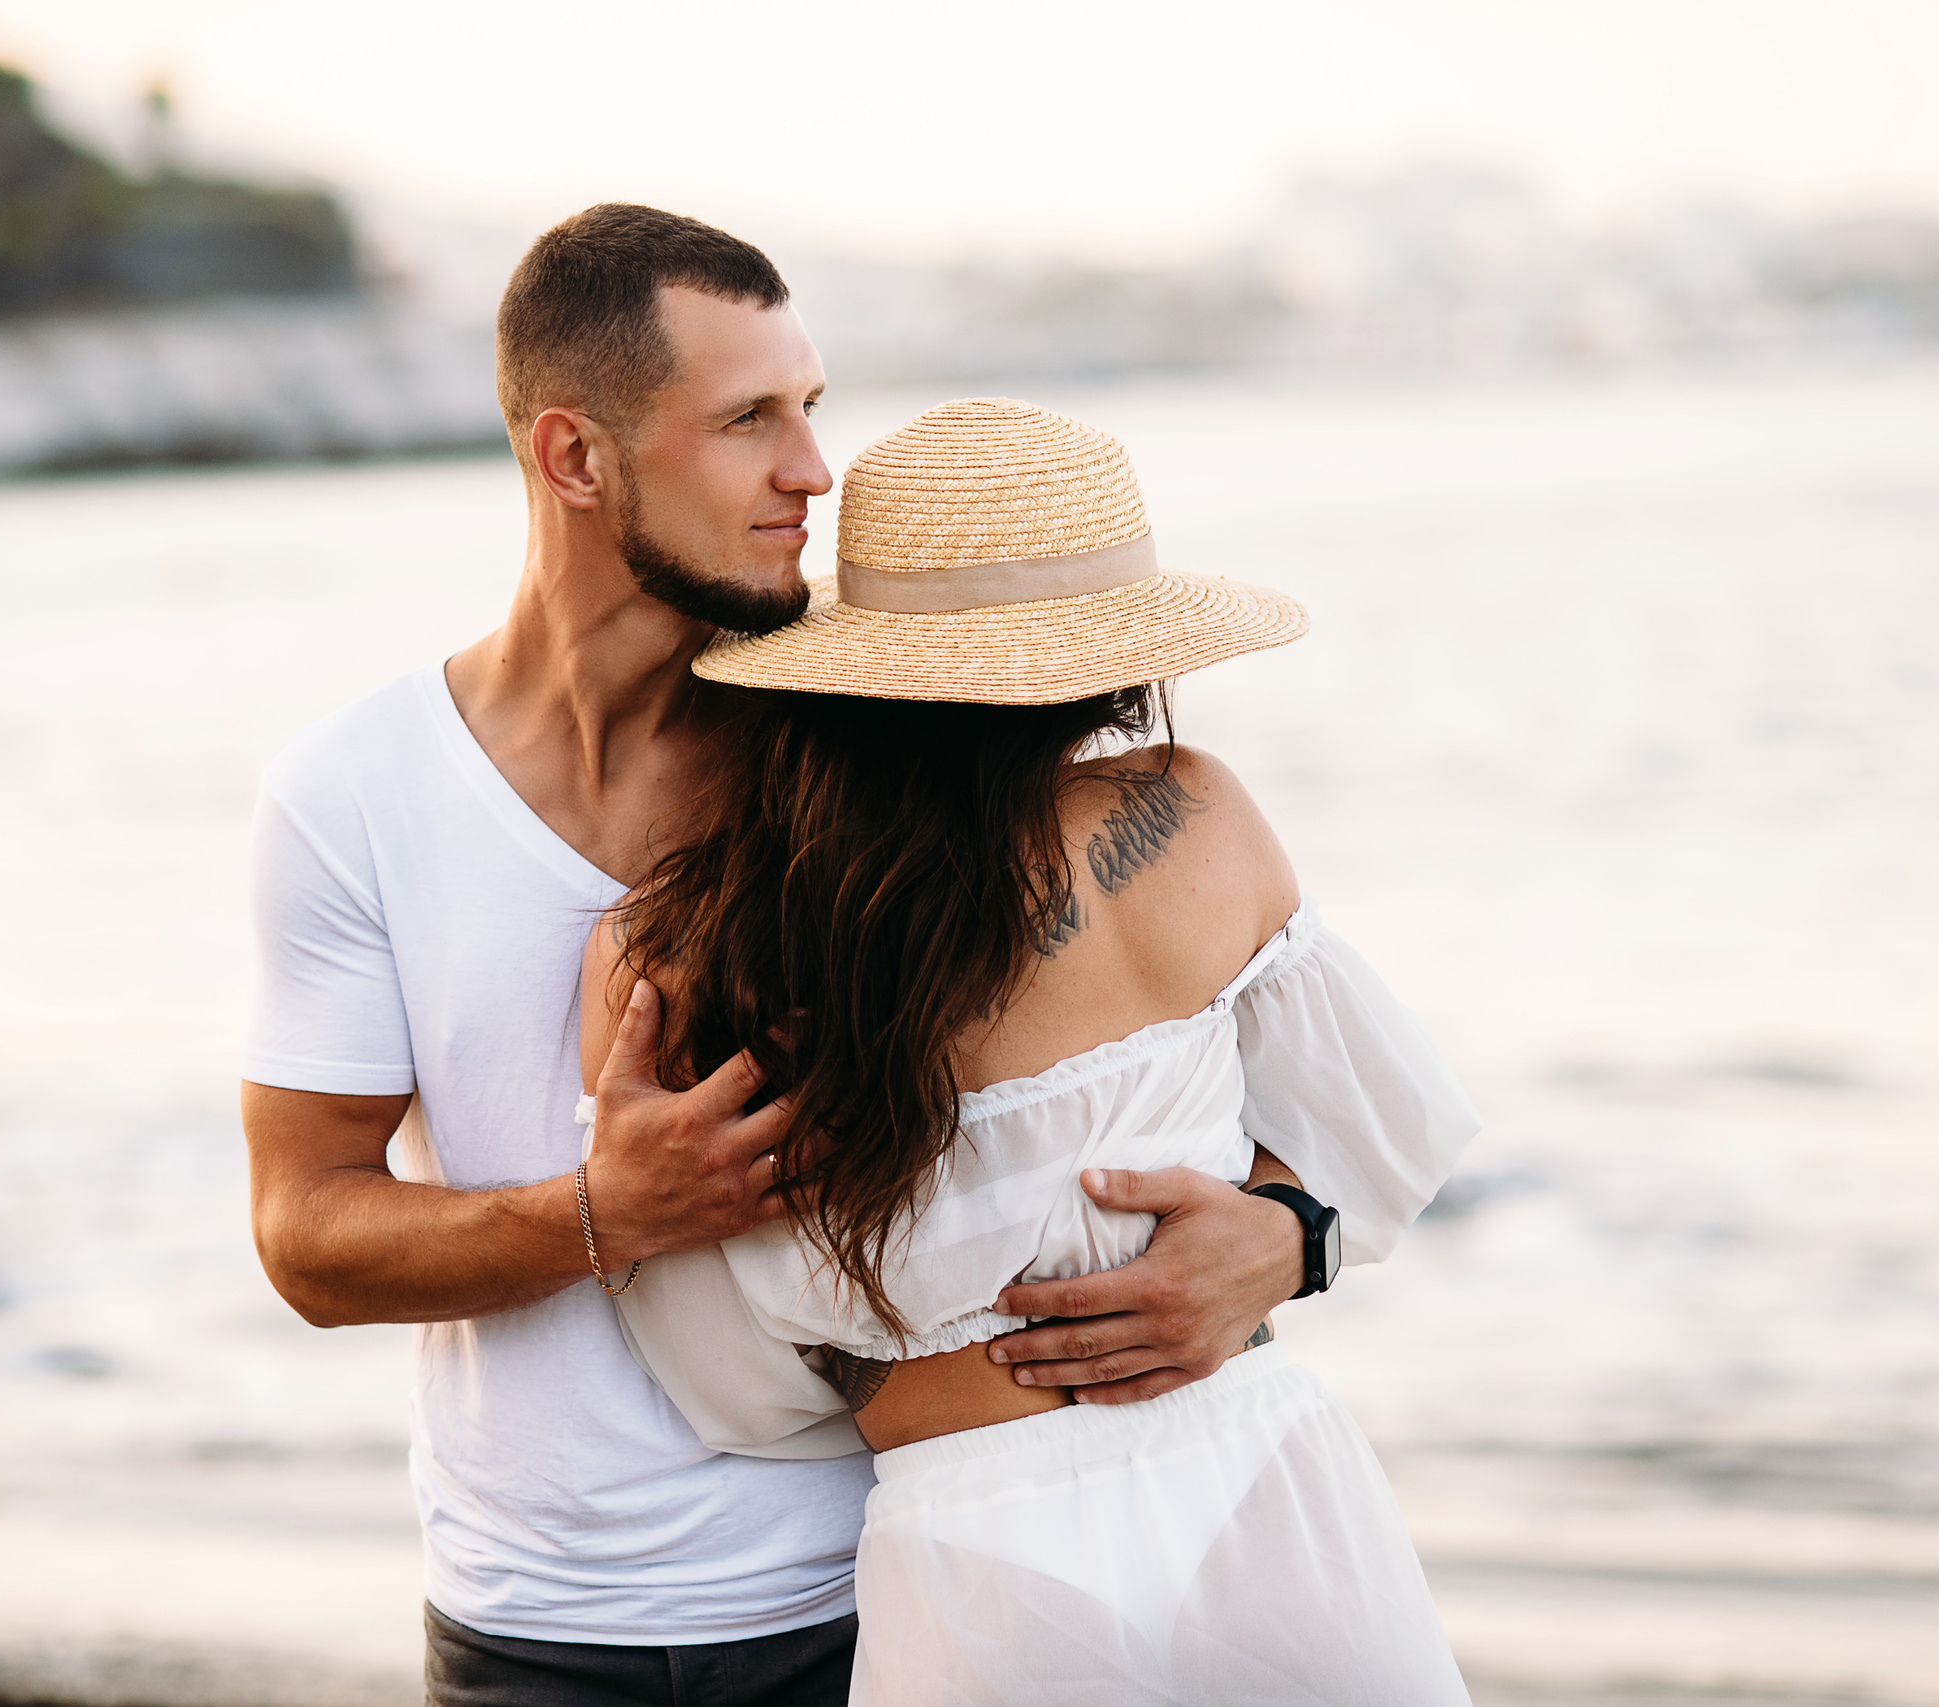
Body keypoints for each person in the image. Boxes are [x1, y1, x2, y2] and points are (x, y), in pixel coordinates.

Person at [239, 205, 1322, 1706]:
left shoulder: (888, 725)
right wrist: (604, 1213)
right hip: (536, 1625)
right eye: (749, 419)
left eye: (810, 407)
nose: (814, 471)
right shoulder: (354, 792)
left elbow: (1198, 1043)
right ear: (574, 457)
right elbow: (306, 1237)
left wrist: (1285, 1237)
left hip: (896, 1594)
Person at [572, 397, 1483, 1706]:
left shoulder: (684, 943)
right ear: (1117, 650)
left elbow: (730, 1387)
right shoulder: (1194, 818)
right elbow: (1381, 1142)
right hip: (1262, 1472)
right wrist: (1286, 1239)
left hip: (980, 1545)